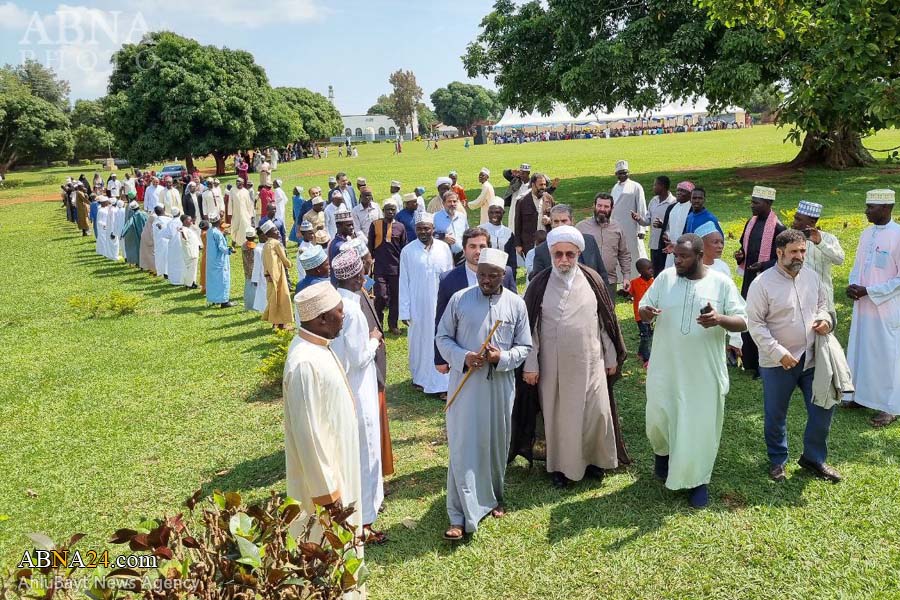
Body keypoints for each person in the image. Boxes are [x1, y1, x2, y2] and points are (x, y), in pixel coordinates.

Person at [639, 234, 748, 507]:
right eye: (675, 255)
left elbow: (743, 321)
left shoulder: (720, 283)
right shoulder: (665, 278)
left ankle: (698, 481)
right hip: (665, 365)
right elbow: (643, 308)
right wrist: (647, 313)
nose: (677, 261)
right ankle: (663, 455)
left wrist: (719, 319)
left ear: (700, 256)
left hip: (703, 371)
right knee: (657, 417)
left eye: (683, 256)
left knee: (699, 426)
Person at [517, 226, 629, 486]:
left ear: (579, 253)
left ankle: (595, 461)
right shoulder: (539, 283)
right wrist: (530, 365)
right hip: (553, 367)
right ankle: (562, 468)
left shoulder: (592, 279)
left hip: (592, 362)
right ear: (551, 254)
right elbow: (530, 330)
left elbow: (606, 323)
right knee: (561, 420)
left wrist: (611, 358)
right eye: (558, 254)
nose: (564, 260)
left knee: (595, 414)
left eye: (570, 254)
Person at [436, 248, 532, 540]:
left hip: (500, 387)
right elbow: (442, 337)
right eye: (481, 275)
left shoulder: (516, 304)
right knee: (463, 446)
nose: (486, 281)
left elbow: (525, 347)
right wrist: (464, 356)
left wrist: (500, 358)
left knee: (495, 443)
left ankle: (493, 498)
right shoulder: (460, 299)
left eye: (492, 276)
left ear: (503, 275)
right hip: (465, 385)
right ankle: (457, 515)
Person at [283, 282, 364, 581]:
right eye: (339, 311)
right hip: (327, 490)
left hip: (339, 470)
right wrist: (329, 497)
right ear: (321, 319)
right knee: (327, 555)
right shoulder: (305, 363)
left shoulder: (318, 346)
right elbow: (310, 437)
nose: (344, 315)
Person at [746, 229, 840, 483]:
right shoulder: (762, 284)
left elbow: (823, 305)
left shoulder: (811, 276)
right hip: (778, 364)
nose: (800, 256)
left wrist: (823, 320)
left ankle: (813, 458)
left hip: (812, 358)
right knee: (776, 414)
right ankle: (777, 460)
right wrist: (779, 353)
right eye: (794, 252)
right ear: (779, 253)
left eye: (803, 251)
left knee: (824, 407)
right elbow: (755, 324)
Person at [330, 250, 386, 545]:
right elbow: (357, 358)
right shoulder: (350, 310)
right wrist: (374, 341)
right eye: (362, 272)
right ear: (355, 277)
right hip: (358, 388)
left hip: (347, 387)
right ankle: (364, 520)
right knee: (366, 454)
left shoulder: (335, 301)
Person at [844, 189, 900, 427]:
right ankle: (861, 396)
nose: (866, 211)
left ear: (886, 208)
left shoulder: (898, 235)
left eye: (871, 207)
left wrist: (871, 291)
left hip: (886, 305)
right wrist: (852, 285)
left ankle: (891, 406)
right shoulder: (867, 233)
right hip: (863, 304)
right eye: (867, 206)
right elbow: (858, 265)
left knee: (887, 356)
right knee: (862, 350)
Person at [434, 227, 519, 372]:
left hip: (499, 355)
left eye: (482, 246)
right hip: (465, 355)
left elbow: (515, 313)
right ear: (464, 249)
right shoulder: (449, 279)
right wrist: (440, 358)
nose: (478, 251)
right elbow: (441, 321)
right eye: (472, 246)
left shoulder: (506, 273)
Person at [399, 212, 454, 396]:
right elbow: (403, 282)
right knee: (420, 342)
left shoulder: (443, 248)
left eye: (426, 228)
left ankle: (442, 381)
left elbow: (450, 275)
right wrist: (404, 311)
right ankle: (420, 378)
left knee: (441, 339)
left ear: (433, 229)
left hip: (441, 304)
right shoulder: (408, 251)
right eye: (419, 228)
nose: (423, 232)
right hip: (418, 306)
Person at [735, 186, 787, 376]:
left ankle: (761, 364)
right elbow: (744, 247)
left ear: (768, 203)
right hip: (750, 278)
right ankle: (748, 361)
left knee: (763, 319)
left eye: (756, 203)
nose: (752, 206)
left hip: (767, 281)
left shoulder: (779, 228)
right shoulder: (751, 222)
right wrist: (740, 255)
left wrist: (763, 265)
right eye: (752, 201)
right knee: (748, 314)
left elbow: (782, 258)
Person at [695, 221, 743, 358]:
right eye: (715, 242)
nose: (720, 246)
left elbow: (733, 303)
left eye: (721, 242)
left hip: (717, 328)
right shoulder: (691, 269)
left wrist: (735, 338)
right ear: (702, 245)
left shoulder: (722, 267)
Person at [790, 201, 845, 320]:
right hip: (796, 296)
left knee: (824, 334)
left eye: (799, 220)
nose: (794, 222)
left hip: (822, 298)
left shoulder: (828, 238)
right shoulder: (789, 238)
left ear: (812, 222)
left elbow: (840, 260)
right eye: (795, 218)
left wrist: (820, 243)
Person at [533, 204, 610, 285]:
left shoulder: (589, 241)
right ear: (551, 223)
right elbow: (537, 283)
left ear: (572, 221)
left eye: (564, 221)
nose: (560, 225)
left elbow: (602, 274)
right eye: (556, 222)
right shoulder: (541, 250)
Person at [576, 193, 631, 299]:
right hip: (586, 280)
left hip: (609, 281)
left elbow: (624, 254)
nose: (602, 209)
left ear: (612, 208)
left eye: (606, 206)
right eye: (599, 205)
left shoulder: (617, 228)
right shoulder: (581, 227)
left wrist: (626, 277)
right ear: (594, 206)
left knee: (608, 314)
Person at [369, 198, 407, 334]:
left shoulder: (400, 227)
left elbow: (404, 248)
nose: (390, 212)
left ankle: (393, 325)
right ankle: (378, 323)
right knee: (381, 296)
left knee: (395, 298)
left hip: (396, 269)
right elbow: (370, 246)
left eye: (393, 209)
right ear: (383, 210)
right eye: (388, 209)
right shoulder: (375, 225)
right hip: (379, 268)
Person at [611, 160, 648, 278]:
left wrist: (642, 228)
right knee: (620, 253)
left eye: (625, 172)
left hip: (632, 226)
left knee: (635, 253)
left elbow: (641, 207)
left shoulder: (636, 186)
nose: (623, 175)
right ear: (616, 174)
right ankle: (623, 281)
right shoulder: (615, 187)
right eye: (620, 173)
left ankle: (637, 280)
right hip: (617, 226)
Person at [260, 220, 294, 329]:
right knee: (283, 298)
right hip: (279, 275)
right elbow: (284, 259)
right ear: (269, 233)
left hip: (270, 276)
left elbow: (264, 262)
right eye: (275, 230)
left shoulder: (265, 245)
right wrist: (289, 264)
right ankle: (282, 323)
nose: (278, 232)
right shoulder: (276, 243)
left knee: (273, 298)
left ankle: (276, 322)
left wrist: (267, 274)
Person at [641, 176, 676, 276]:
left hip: (666, 245)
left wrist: (663, 226)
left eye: (655, 185)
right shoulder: (653, 201)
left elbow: (675, 225)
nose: (653, 187)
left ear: (662, 186)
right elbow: (648, 220)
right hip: (654, 244)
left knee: (665, 272)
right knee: (656, 272)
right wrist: (639, 219)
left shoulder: (673, 203)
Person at [513, 173, 551, 261]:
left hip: (546, 240)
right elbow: (517, 224)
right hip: (529, 242)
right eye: (541, 184)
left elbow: (555, 218)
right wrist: (518, 244)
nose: (543, 187)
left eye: (545, 184)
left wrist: (549, 220)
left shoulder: (549, 199)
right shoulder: (522, 201)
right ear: (533, 185)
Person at [661, 181, 695, 268]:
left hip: (686, 248)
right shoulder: (671, 208)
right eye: (678, 190)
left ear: (690, 194)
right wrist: (666, 234)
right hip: (671, 247)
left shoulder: (693, 209)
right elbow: (668, 227)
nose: (679, 193)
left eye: (683, 191)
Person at [629, 258, 655, 367]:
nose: (652, 270)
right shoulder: (634, 283)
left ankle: (640, 352)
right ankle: (646, 358)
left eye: (651, 268)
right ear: (640, 271)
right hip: (640, 315)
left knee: (648, 334)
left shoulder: (653, 282)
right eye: (648, 269)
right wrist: (624, 291)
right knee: (645, 336)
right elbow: (628, 293)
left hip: (650, 315)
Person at [205, 212, 233, 308]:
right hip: (219, 260)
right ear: (218, 221)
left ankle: (214, 299)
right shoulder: (217, 233)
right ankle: (224, 301)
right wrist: (230, 250)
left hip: (212, 261)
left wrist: (223, 235)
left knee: (213, 280)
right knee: (222, 279)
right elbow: (221, 247)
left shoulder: (209, 231)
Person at [433, 191, 469, 264]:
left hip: (461, 256)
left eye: (454, 201)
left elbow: (467, 234)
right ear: (443, 203)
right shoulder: (435, 217)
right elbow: (430, 234)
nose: (452, 204)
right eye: (449, 201)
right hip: (443, 257)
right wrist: (442, 237)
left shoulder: (462, 216)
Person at [121, 200, 147, 267]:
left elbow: (128, 225)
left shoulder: (133, 217)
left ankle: (139, 263)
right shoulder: (144, 214)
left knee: (138, 248)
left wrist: (123, 234)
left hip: (137, 234)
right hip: (145, 234)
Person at [179, 215, 202, 289]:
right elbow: (184, 238)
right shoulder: (184, 229)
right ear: (185, 221)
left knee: (193, 268)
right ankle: (189, 284)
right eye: (189, 220)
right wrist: (182, 233)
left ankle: (192, 282)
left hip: (193, 251)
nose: (191, 221)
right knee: (191, 269)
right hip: (190, 252)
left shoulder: (188, 228)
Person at [163, 208, 185, 286]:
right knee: (182, 261)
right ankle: (182, 279)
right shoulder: (183, 222)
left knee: (174, 262)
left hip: (173, 245)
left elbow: (167, 235)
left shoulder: (170, 223)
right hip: (182, 243)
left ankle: (174, 280)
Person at [230, 178, 255, 247]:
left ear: (243, 183)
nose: (238, 184)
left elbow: (249, 204)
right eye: (237, 182)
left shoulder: (246, 191)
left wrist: (251, 215)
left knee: (246, 227)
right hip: (236, 213)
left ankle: (246, 242)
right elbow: (230, 202)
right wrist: (230, 214)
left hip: (245, 213)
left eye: (240, 183)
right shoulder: (232, 190)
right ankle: (233, 241)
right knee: (235, 228)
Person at [151, 205, 172, 278]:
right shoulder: (169, 219)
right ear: (163, 210)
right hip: (169, 241)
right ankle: (168, 272)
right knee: (168, 257)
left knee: (161, 257)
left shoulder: (155, 221)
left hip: (159, 242)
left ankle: (163, 272)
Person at [241, 228, 258, 310]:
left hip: (246, 269)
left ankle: (247, 305)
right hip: (253, 271)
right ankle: (253, 306)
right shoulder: (254, 247)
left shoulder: (243, 245)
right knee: (254, 289)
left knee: (247, 287)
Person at [139, 204, 159, 274]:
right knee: (151, 254)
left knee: (147, 253)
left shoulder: (153, 216)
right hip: (149, 237)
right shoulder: (154, 217)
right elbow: (153, 230)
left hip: (146, 235)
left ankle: (148, 268)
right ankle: (154, 270)